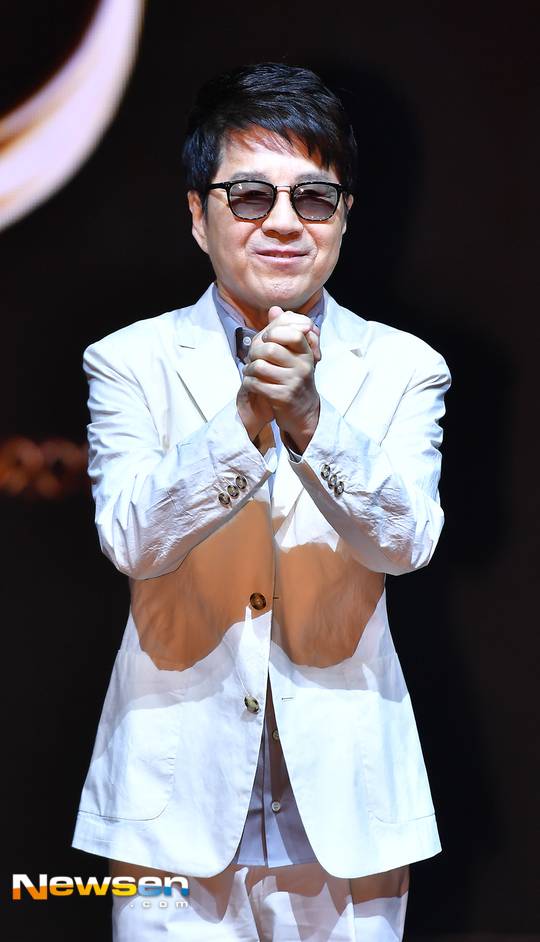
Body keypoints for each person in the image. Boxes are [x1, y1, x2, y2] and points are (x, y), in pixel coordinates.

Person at [72, 62, 451, 941]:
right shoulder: (129, 360)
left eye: (313, 199)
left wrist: (312, 422)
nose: (283, 222)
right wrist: (245, 423)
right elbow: (132, 540)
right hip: (172, 806)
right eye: (249, 196)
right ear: (197, 215)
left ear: (344, 216)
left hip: (348, 810)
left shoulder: (405, 367)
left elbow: (405, 543)